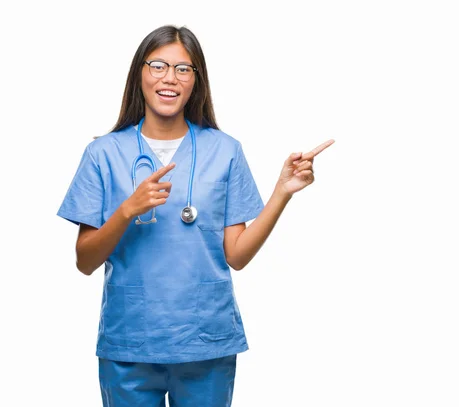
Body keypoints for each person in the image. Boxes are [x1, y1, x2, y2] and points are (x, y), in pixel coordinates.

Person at [57, 24, 334, 407]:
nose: (170, 78)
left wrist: (282, 193)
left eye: (183, 69)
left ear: (196, 81)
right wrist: (127, 211)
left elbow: (236, 256)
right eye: (158, 66)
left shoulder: (226, 151)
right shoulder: (103, 154)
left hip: (207, 340)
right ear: (140, 73)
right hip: (131, 341)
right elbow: (85, 261)